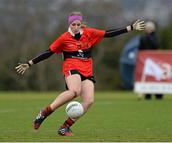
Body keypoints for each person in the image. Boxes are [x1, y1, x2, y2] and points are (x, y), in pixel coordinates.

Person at [15, 11, 145, 136]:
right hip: (71, 67)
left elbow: (108, 33)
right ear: (69, 25)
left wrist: (131, 27)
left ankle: (64, 128)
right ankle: (45, 112)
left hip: (87, 70)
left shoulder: (89, 33)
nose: (76, 27)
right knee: (74, 91)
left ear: (81, 24)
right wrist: (30, 63)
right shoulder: (64, 38)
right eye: (73, 25)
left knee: (89, 101)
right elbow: (48, 52)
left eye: (78, 24)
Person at [139, 21, 164, 100]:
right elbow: (141, 48)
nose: (148, 30)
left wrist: (150, 37)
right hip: (146, 61)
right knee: (148, 78)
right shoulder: (143, 38)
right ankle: (147, 94)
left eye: (149, 28)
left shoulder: (156, 37)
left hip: (156, 61)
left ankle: (159, 94)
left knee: (157, 77)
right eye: (146, 28)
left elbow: (156, 45)